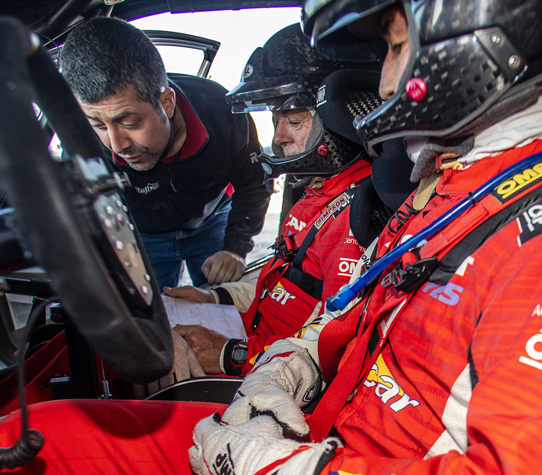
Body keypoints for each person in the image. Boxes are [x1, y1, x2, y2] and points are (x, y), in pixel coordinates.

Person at [0, 0, 542, 473]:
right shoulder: (452, 189)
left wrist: (275, 457)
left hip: (324, 457)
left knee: (30, 445)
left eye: (396, 47)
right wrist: (282, 371)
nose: (384, 85)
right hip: (313, 429)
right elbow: (348, 311)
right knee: (32, 437)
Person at [163, 24, 384, 376]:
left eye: (293, 121)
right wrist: (216, 297)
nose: (278, 138)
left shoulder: (360, 216)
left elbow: (331, 348)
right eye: (275, 120)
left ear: (343, 117)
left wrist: (230, 355)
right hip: (256, 348)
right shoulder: (315, 194)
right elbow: (281, 285)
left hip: (270, 379)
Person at [59, 17, 271, 286]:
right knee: (152, 319)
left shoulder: (223, 113)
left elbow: (254, 184)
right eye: (99, 125)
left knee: (222, 307)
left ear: (167, 103)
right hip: (141, 235)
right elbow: (82, 213)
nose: (116, 145)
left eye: (129, 123)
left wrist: (235, 248)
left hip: (211, 224)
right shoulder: (81, 142)